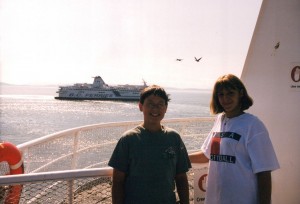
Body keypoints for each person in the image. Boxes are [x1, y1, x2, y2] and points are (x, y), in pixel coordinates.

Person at [189, 74, 280, 204]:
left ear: (241, 93)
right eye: (221, 94)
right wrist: (178, 157)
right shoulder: (220, 120)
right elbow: (207, 155)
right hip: (216, 199)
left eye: (230, 93)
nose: (225, 99)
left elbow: (264, 171)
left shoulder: (253, 125)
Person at [108, 85, 191, 204]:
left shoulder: (174, 138)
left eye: (160, 104)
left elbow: (181, 177)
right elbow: (118, 182)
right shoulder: (128, 139)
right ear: (141, 106)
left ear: (166, 108)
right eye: (150, 104)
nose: (155, 109)